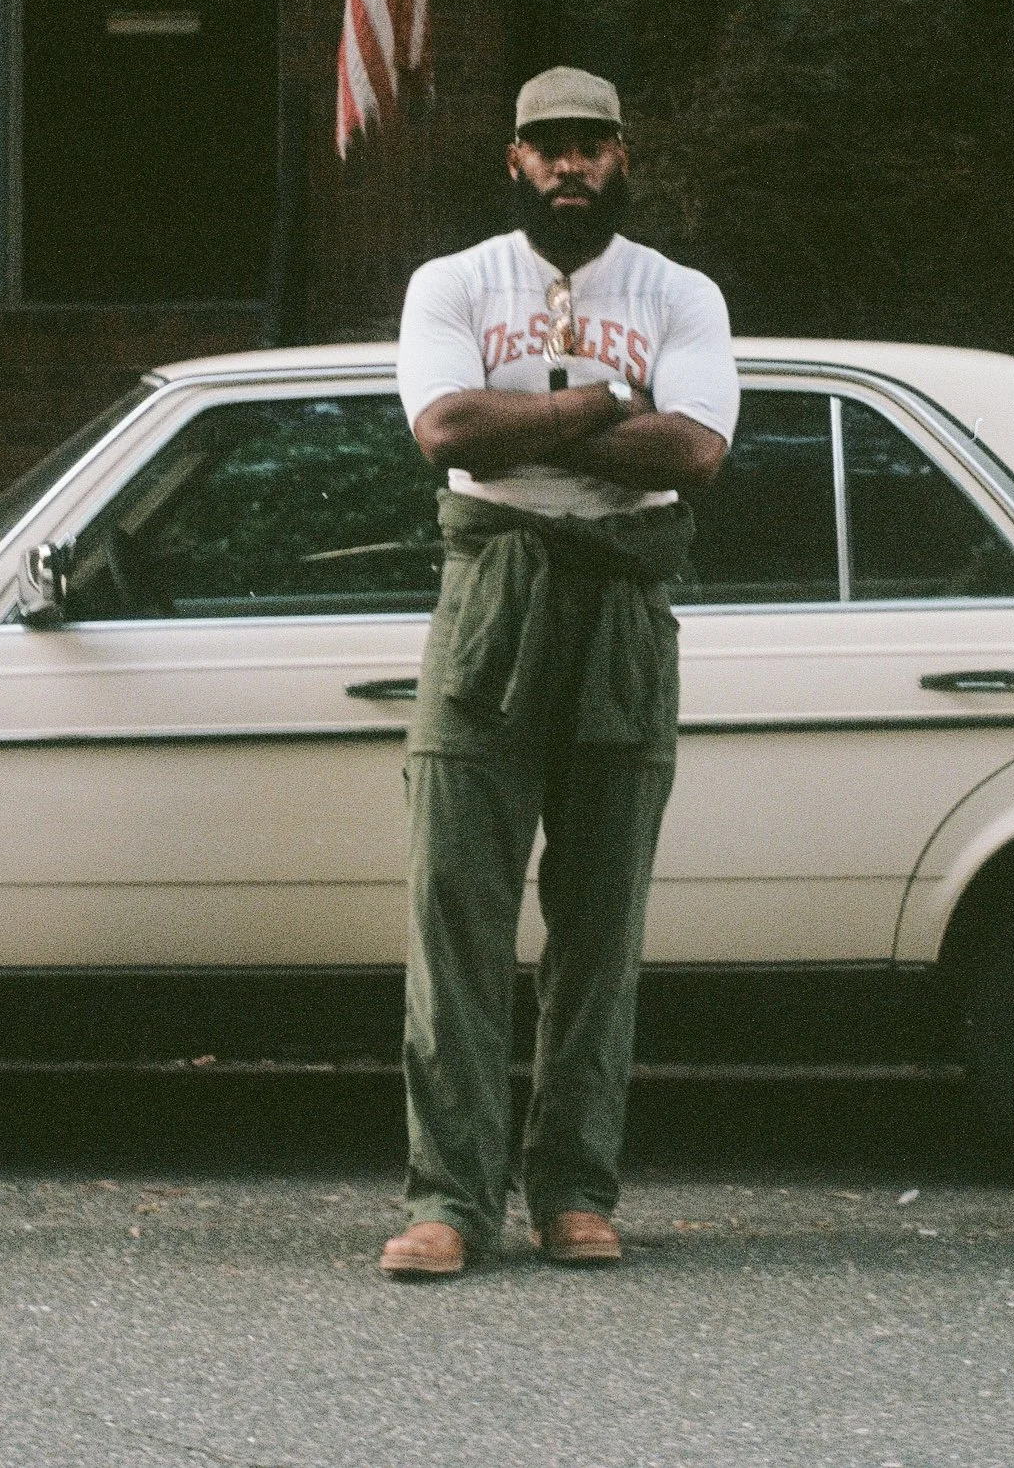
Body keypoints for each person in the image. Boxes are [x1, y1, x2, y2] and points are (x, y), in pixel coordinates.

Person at [381, 65, 739, 1277]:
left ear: (624, 156)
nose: (569, 165)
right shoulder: (456, 283)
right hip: (488, 606)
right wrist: (603, 400)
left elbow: (693, 450)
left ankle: (578, 1191)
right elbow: (446, 433)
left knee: (599, 927)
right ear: (515, 160)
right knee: (457, 914)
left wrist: (525, 413)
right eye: (548, 146)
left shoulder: (680, 292)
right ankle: (449, 1200)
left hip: (624, 605)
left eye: (591, 145)